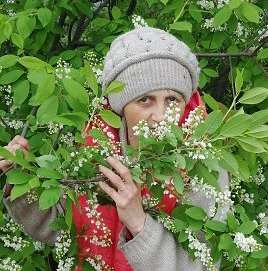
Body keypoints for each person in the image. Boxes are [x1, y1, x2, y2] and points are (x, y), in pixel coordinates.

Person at [1, 27, 229, 270]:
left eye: (173, 100)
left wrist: (139, 224)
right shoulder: (95, 149)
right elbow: (60, 231)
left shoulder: (203, 167)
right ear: (121, 105)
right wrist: (23, 180)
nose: (161, 116)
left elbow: (204, 264)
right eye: (145, 99)